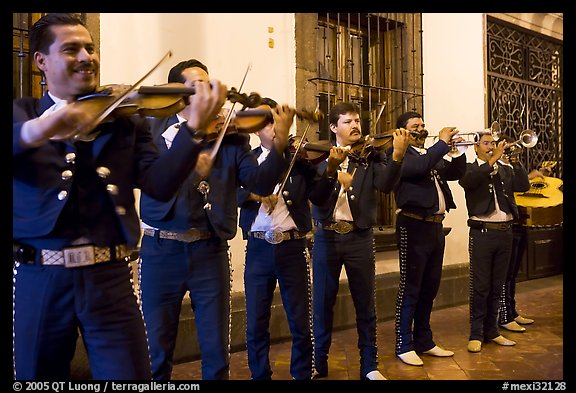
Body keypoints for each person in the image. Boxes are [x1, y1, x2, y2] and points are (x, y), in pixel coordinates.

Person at [12, 13, 226, 380]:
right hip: (40, 277)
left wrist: (193, 132)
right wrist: (43, 127)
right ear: (41, 61)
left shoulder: (125, 120)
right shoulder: (23, 115)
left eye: (90, 48)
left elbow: (159, 184)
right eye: (71, 49)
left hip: (109, 276)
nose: (86, 57)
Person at [138, 61, 294, 380]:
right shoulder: (152, 129)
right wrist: (188, 163)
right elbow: (150, 179)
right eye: (198, 86)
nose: (210, 92)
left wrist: (278, 143)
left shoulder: (233, 138)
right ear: (176, 95)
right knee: (156, 351)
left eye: (210, 84)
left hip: (209, 250)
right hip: (160, 249)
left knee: (216, 350)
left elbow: (260, 184)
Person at [237, 100, 345, 380]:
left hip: (292, 246)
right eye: (268, 123)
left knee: (299, 318)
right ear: (255, 130)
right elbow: (226, 194)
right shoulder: (245, 160)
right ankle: (259, 374)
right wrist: (255, 195)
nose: (274, 128)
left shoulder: (299, 161)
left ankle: (301, 373)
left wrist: (331, 169)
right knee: (256, 320)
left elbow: (319, 198)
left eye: (277, 121)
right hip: (258, 247)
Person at [311, 102, 410, 380]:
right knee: (322, 303)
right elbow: (316, 198)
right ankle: (319, 361)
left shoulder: (371, 156)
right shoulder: (317, 158)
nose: (355, 125)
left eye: (357, 120)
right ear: (333, 127)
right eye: (347, 121)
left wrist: (398, 156)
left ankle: (369, 364)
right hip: (327, 237)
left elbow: (386, 185)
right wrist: (331, 171)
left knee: (365, 304)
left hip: (360, 238)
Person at [391, 111, 466, 366]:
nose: (422, 129)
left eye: (423, 125)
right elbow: (418, 169)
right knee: (410, 287)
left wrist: (455, 151)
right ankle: (403, 343)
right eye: (415, 126)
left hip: (435, 228)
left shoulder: (428, 155)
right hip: (413, 225)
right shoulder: (401, 155)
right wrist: (442, 143)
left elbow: (454, 173)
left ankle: (424, 340)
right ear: (403, 131)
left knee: (429, 287)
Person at [458, 131, 530, 353]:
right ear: (476, 147)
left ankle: (492, 331)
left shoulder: (504, 169)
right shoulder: (469, 169)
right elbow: (470, 182)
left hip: (505, 232)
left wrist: (514, 160)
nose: (491, 146)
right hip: (482, 234)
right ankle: (476, 333)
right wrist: (492, 159)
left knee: (498, 285)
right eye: (486, 143)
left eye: (493, 143)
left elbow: (523, 185)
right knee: (481, 287)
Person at [497, 137, 547, 332]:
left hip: (518, 223)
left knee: (513, 273)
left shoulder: (511, 167)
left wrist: (517, 163)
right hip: (504, 226)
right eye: (508, 148)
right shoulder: (495, 168)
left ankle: (511, 311)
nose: (511, 152)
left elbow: (522, 186)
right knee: (506, 273)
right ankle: (504, 314)